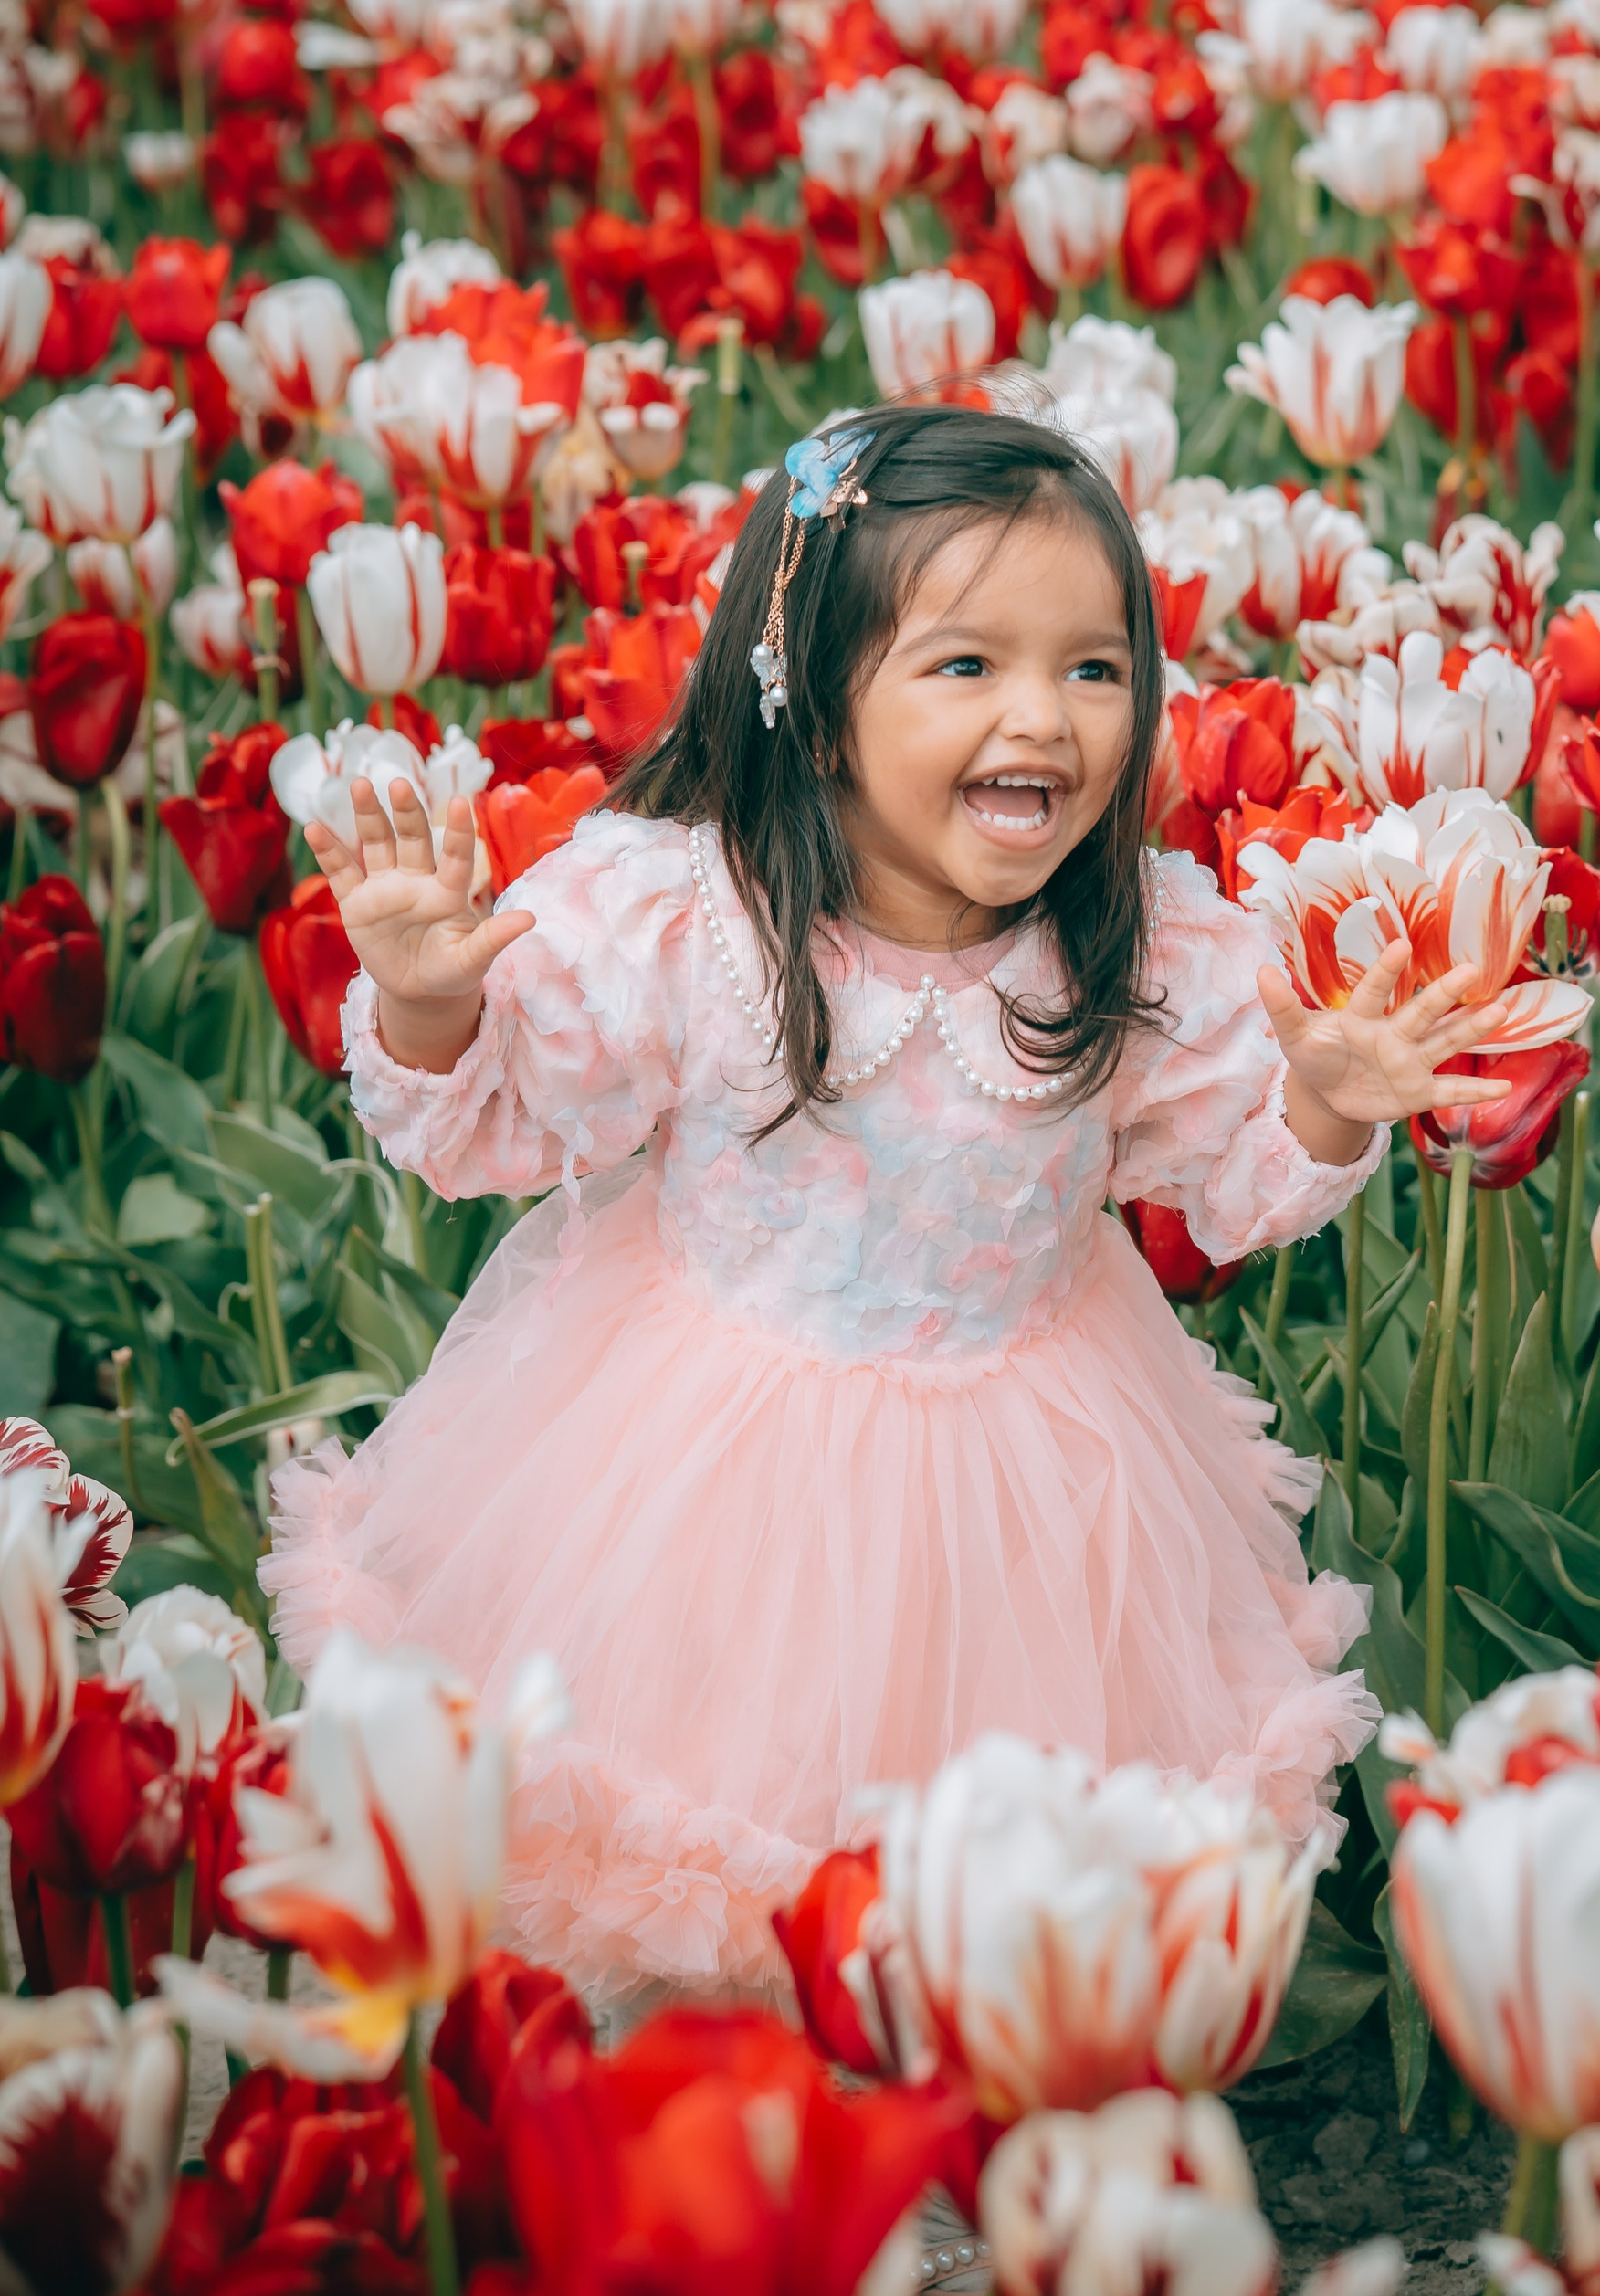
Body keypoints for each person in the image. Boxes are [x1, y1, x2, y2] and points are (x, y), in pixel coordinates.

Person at [261, 402, 1510, 2017]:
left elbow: (1240, 1175)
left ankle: (926, 2128)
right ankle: (710, 2123)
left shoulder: (1134, 955)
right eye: (970, 665)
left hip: (1036, 1485)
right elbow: (496, 1123)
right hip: (699, 1459)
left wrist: (1327, 1095)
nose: (1046, 720)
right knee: (705, 1802)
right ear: (818, 702)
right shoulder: (696, 921)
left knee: (978, 1869)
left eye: (1094, 667)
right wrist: (429, 1003)